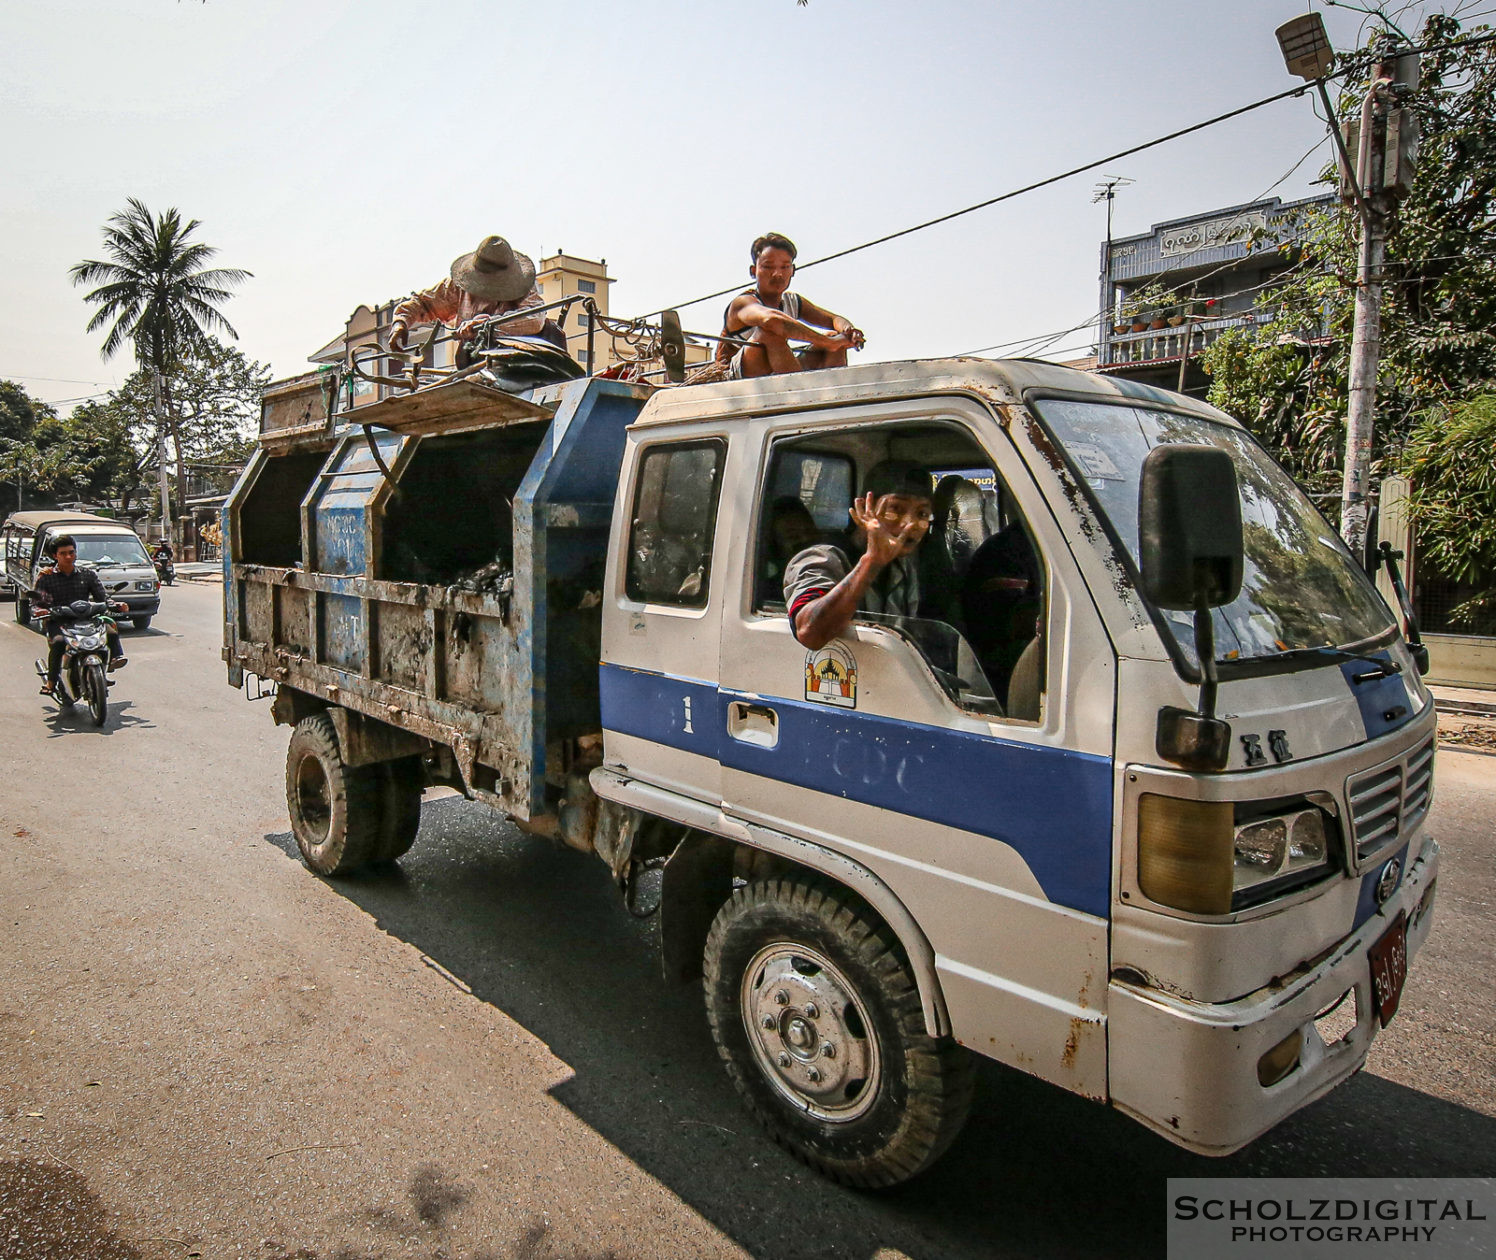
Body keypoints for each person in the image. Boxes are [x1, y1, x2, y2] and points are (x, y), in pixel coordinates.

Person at [783, 461, 934, 650]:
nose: (910, 524)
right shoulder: (822, 557)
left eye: (922, 513)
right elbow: (809, 633)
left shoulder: (905, 566)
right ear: (864, 509)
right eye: (896, 509)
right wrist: (872, 562)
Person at [717, 233, 865, 380]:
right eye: (768, 267)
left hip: (778, 370)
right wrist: (827, 342)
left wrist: (848, 331)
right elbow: (771, 320)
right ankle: (800, 393)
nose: (777, 274)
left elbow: (834, 320)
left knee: (835, 337)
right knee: (769, 332)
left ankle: (832, 394)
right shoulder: (743, 303)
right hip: (738, 377)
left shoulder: (792, 301)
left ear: (792, 270)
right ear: (753, 270)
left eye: (785, 267)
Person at [387, 236, 546, 352]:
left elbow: (534, 319)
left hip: (516, 360)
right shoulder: (458, 286)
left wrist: (486, 325)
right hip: (472, 361)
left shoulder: (523, 285)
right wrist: (400, 322)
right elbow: (422, 303)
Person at [32, 535, 128, 695]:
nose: (68, 557)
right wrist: (40, 610)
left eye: (71, 552)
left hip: (86, 619)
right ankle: (51, 682)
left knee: (110, 629)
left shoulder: (87, 574)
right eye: (63, 553)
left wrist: (116, 605)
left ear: (76, 553)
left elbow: (102, 597)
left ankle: (111, 662)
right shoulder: (47, 577)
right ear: (55, 556)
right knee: (58, 643)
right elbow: (38, 603)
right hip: (59, 621)